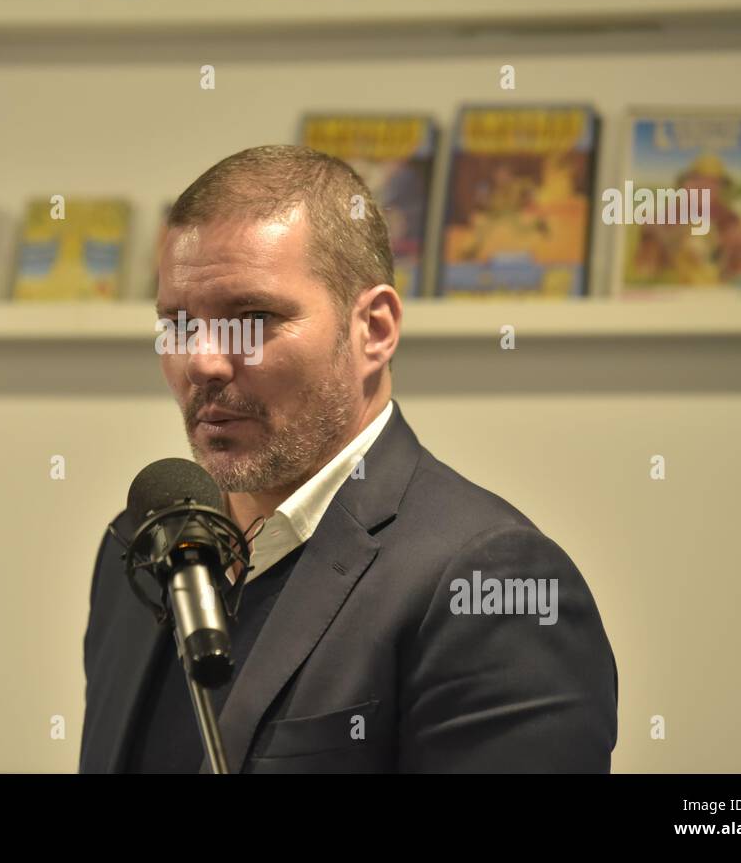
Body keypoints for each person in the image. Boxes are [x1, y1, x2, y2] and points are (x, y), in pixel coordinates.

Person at [79, 145, 618, 773]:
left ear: (376, 328)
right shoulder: (141, 548)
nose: (203, 361)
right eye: (177, 323)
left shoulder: (490, 578)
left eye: (252, 318)